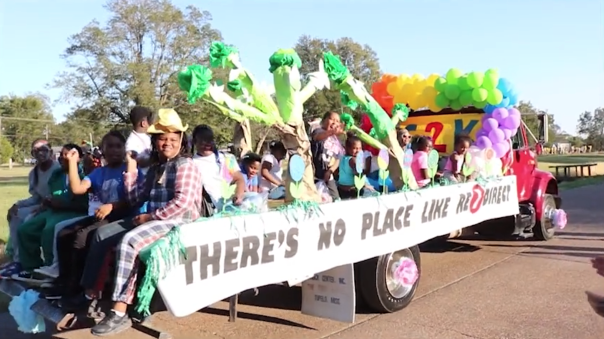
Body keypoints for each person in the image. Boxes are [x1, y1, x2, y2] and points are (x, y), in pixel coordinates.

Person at [81, 108, 203, 336]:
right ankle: (89, 294)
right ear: (155, 142)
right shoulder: (157, 167)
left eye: (173, 139)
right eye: (163, 139)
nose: (168, 143)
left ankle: (119, 311)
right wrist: (132, 169)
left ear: (181, 142)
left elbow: (183, 203)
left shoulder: (186, 166)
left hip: (179, 223)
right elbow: (135, 198)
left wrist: (149, 217)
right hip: (156, 220)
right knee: (102, 233)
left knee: (129, 241)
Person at [41, 131, 143, 299]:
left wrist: (112, 205)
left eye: (118, 146)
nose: (114, 150)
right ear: (102, 149)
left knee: (82, 237)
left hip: (124, 216)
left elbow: (133, 198)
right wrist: (73, 163)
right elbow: (77, 188)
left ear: (124, 149)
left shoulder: (130, 169)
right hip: (105, 216)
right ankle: (64, 280)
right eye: (109, 146)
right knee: (64, 233)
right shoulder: (99, 173)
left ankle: (81, 286)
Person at [10, 144, 89, 282]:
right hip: (53, 210)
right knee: (26, 229)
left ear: (78, 158)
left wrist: (65, 204)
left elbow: (85, 203)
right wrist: (47, 202)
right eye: (62, 155)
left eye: (68, 155)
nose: (64, 158)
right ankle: (31, 268)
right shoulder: (57, 175)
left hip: (73, 212)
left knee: (49, 230)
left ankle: (50, 269)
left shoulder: (84, 174)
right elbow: (52, 194)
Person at [0, 140, 60, 278]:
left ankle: (32, 263)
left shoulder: (57, 169)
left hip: (55, 206)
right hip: (41, 205)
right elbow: (36, 197)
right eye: (36, 150)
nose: (40, 153)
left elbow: (57, 194)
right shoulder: (34, 173)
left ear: (50, 151)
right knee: (16, 215)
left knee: (28, 219)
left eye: (43, 149)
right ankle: (18, 261)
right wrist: (17, 205)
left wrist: (40, 207)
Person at [191, 124, 245, 207]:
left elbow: (239, 179)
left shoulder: (227, 158)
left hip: (228, 207)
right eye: (203, 140)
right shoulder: (190, 163)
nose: (207, 143)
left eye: (210, 139)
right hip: (206, 210)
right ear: (194, 141)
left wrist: (238, 195)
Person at [310, 111, 345, 200]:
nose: (335, 123)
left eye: (337, 121)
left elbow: (338, 158)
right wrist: (331, 132)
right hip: (315, 175)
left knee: (335, 198)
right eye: (332, 119)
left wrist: (331, 170)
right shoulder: (318, 131)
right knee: (316, 199)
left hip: (328, 174)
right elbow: (317, 137)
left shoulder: (336, 140)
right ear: (324, 120)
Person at [125, 106, 152, 173]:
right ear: (144, 123)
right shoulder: (131, 143)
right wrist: (157, 158)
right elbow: (136, 161)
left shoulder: (147, 137)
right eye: (150, 122)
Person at [337, 135, 363, 199]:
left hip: (340, 189)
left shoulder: (342, 158)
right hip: (351, 191)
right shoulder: (353, 160)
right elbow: (358, 175)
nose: (358, 151)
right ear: (347, 148)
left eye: (360, 148)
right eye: (355, 148)